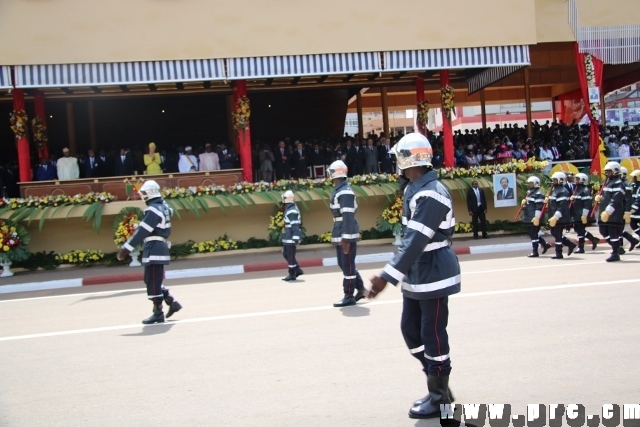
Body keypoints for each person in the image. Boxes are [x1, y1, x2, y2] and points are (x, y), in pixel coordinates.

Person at [366, 132, 459, 420]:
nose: (395, 163)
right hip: (417, 271)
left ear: (408, 159)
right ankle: (436, 383)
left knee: (433, 336)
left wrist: (386, 276)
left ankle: (441, 399)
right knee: (411, 331)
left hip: (432, 269)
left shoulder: (431, 193)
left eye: (398, 157)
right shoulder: (414, 188)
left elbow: (416, 240)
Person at [117, 180, 183, 324]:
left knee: (152, 280)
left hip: (154, 247)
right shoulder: (164, 207)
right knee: (152, 279)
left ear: (149, 193)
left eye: (144, 193)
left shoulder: (152, 210)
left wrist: (125, 249)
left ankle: (158, 312)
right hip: (158, 246)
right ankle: (171, 302)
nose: (143, 196)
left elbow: (142, 232)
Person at [327, 160, 365, 307]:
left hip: (345, 230)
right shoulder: (340, 189)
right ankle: (360, 288)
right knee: (344, 263)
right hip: (340, 228)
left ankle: (348, 295)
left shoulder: (345, 192)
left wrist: (346, 238)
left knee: (348, 264)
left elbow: (348, 216)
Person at [597, 161, 626, 262]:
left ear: (615, 171)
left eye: (609, 171)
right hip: (604, 211)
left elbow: (616, 199)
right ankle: (617, 247)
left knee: (613, 233)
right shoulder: (608, 182)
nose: (607, 173)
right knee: (602, 230)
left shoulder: (619, 183)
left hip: (613, 213)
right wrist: (600, 198)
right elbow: (607, 196)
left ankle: (615, 253)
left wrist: (608, 211)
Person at [547, 171, 577, 259]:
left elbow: (562, 206)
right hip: (554, 215)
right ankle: (570, 244)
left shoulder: (562, 191)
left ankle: (559, 253)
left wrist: (556, 216)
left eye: (555, 180)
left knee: (557, 234)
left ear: (560, 180)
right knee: (555, 233)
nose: (553, 181)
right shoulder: (555, 189)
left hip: (560, 217)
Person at [570, 173, 600, 253]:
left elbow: (587, 204)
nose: (575, 181)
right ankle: (593, 240)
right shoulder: (577, 189)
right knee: (578, 229)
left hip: (581, 214)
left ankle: (581, 247)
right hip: (576, 213)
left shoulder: (585, 190)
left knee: (580, 230)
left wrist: (584, 214)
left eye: (577, 179)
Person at [521, 176, 551, 257]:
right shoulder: (530, 192)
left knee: (533, 234)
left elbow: (539, 206)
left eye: (531, 183)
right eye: (529, 183)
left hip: (534, 217)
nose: (529, 185)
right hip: (528, 217)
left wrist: (537, 217)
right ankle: (544, 244)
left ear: (536, 183)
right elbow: (530, 205)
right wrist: (524, 205)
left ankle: (535, 251)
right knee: (532, 234)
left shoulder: (539, 193)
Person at [280, 190, 304, 281]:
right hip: (288, 237)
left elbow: (295, 225)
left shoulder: (292, 210)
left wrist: (296, 238)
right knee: (286, 254)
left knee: (290, 256)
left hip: (291, 238)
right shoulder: (291, 208)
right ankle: (297, 269)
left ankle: (292, 273)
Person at [618, 166, 639, 253]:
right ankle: (626, 244)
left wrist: (629, 210)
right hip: (624, 209)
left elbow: (628, 199)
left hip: (626, 209)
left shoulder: (624, 184)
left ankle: (621, 247)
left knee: (618, 228)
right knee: (618, 229)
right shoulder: (628, 184)